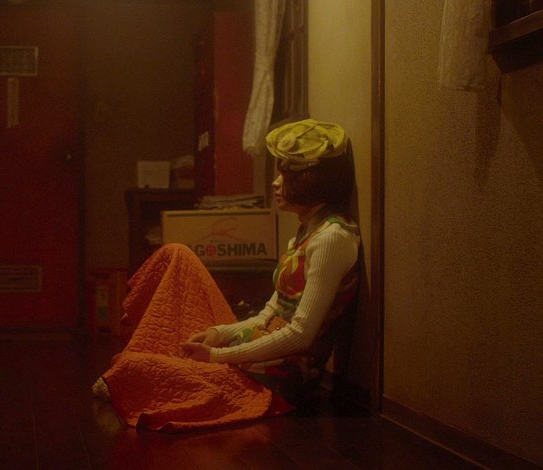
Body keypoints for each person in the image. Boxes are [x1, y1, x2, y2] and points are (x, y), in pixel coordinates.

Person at [93, 119, 360, 428]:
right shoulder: (306, 232)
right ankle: (149, 360)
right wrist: (219, 334)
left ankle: (141, 368)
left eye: (286, 175)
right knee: (177, 255)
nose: (276, 184)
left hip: (279, 377)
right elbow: (269, 314)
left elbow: (301, 336)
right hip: (256, 347)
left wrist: (216, 357)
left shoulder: (331, 238)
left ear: (312, 181)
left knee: (135, 367)